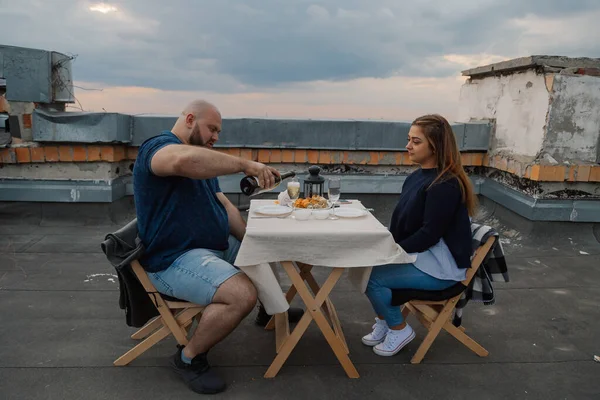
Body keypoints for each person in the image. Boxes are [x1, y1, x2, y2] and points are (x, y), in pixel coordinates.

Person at [133, 99, 300, 394]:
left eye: (218, 132)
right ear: (188, 120)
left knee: (261, 251)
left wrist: (250, 239)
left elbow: (223, 205)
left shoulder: (202, 160)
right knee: (240, 295)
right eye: (212, 129)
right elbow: (179, 161)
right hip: (173, 259)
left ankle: (269, 309)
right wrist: (246, 164)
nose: (215, 137)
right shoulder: (157, 147)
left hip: (212, 247)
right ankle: (188, 358)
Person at [362, 114, 478, 357]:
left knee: (373, 278)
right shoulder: (418, 176)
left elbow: (429, 235)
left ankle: (398, 328)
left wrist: (391, 252)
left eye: (416, 142)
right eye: (409, 140)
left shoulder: (444, 184)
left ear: (435, 146)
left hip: (441, 268)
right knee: (364, 267)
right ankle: (385, 322)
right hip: (424, 257)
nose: (408, 146)